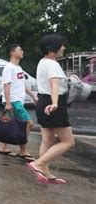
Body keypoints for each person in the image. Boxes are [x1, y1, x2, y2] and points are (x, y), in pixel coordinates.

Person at [28, 34, 75, 185]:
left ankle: (45, 172)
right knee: (68, 141)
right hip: (52, 103)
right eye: (61, 45)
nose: (63, 48)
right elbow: (54, 85)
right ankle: (38, 164)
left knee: (47, 139)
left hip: (43, 101)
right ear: (52, 49)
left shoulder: (43, 62)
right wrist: (55, 104)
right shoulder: (53, 64)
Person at [0, 44, 38, 161]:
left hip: (18, 101)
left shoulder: (18, 68)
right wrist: (8, 102)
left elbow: (22, 85)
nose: (22, 51)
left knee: (9, 124)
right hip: (14, 102)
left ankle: (3, 147)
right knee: (28, 123)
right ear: (12, 53)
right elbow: (6, 85)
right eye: (20, 50)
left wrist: (33, 96)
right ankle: (23, 150)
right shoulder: (8, 67)